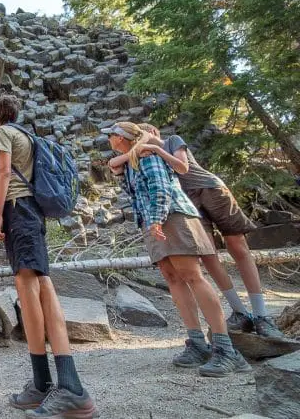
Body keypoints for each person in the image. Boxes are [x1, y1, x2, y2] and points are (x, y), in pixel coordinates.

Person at [108, 124, 285, 339]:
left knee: (238, 246)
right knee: (208, 257)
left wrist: (156, 148)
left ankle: (261, 314)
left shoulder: (171, 141)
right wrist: (137, 151)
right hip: (188, 201)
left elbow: (183, 167)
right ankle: (240, 312)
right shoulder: (138, 155)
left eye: (149, 130)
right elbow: (115, 163)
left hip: (210, 189)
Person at [104, 122, 250, 376]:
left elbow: (161, 188)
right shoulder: (132, 160)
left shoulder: (148, 156)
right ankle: (197, 343)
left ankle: (226, 350)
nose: (108, 139)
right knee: (173, 278)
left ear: (120, 138)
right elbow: (120, 172)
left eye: (111, 135)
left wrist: (158, 218)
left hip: (172, 217)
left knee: (192, 275)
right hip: (153, 221)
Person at [0, 95, 98, 418]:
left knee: (31, 290)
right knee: (39, 288)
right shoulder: (28, 136)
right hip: (33, 214)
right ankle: (45, 384)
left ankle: (69, 388)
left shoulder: (3, 132)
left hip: (18, 211)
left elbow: (4, 172)